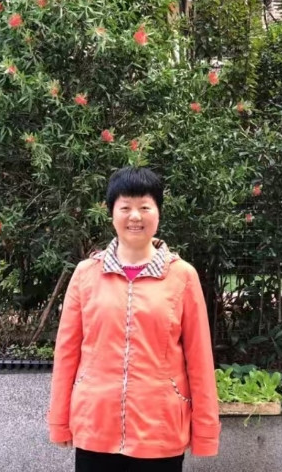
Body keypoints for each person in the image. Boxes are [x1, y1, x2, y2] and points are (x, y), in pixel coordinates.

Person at [48, 166, 220, 471]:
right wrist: (59, 421)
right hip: (95, 423)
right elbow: (66, 353)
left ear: (158, 213)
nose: (135, 216)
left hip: (160, 427)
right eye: (125, 207)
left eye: (145, 207)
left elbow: (199, 359)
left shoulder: (182, 276)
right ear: (112, 214)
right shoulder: (86, 275)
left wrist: (205, 431)